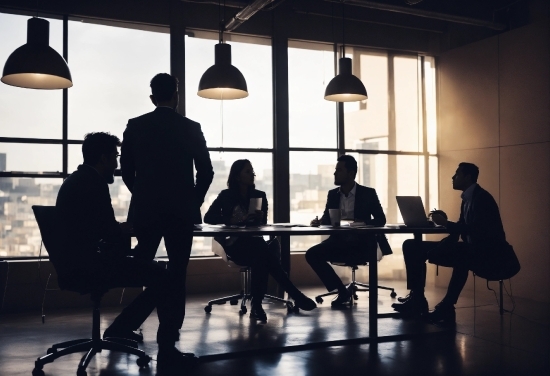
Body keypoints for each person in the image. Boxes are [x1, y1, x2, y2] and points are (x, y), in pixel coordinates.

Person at [56, 132, 195, 373]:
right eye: (115, 156)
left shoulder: (75, 180)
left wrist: (119, 233)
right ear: (103, 158)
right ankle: (165, 350)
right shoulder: (95, 183)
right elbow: (108, 232)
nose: (117, 163)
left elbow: (93, 228)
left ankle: (121, 328)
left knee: (155, 272)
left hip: (75, 264)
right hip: (92, 265)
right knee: (165, 277)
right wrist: (127, 231)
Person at [120, 74, 213, 369]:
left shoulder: (136, 126)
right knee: (176, 274)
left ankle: (128, 327)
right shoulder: (190, 128)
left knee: (142, 269)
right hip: (180, 214)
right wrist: (192, 201)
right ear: (176, 96)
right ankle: (168, 340)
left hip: (147, 211)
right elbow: (206, 172)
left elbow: (126, 172)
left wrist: (144, 195)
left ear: (152, 97)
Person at [392, 162, 515, 325]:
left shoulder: (482, 198)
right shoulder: (468, 198)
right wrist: (443, 242)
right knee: (411, 245)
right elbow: (461, 229)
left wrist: (446, 224)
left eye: (457, 174)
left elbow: (475, 230)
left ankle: (447, 305)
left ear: (467, 177)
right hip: (471, 249)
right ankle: (417, 298)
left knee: (462, 254)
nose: (453, 177)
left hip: (488, 254)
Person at [204, 159, 316, 321]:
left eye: (252, 171)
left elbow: (261, 225)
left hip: (254, 244)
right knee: (264, 255)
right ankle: (291, 295)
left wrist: (260, 218)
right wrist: (231, 220)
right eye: (247, 172)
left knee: (260, 257)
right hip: (234, 245)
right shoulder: (226, 195)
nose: (252, 175)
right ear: (237, 176)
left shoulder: (259, 196)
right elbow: (208, 217)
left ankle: (258, 305)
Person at [305, 155, 387, 307]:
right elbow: (327, 219)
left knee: (319, 253)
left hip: (361, 243)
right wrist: (318, 222)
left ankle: (348, 295)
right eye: (335, 170)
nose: (335, 174)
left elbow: (381, 219)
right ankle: (342, 290)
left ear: (351, 173)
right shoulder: (332, 194)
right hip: (338, 242)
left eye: (339, 170)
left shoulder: (368, 193)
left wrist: (359, 224)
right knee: (311, 254)